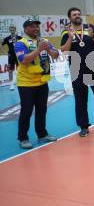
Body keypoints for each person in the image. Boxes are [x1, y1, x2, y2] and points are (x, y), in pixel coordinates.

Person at [61, 7, 94, 137]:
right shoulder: (66, 32)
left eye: (79, 14)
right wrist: (70, 37)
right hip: (76, 70)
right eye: (74, 14)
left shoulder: (89, 27)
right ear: (70, 18)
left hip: (93, 67)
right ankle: (83, 126)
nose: (77, 16)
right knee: (80, 99)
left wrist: (93, 37)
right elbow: (64, 50)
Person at [14, 18, 58, 149]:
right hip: (26, 84)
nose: (35, 28)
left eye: (37, 26)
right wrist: (39, 50)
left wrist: (49, 50)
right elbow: (24, 60)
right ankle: (23, 137)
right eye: (32, 26)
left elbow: (56, 55)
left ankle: (42, 134)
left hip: (42, 82)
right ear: (26, 29)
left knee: (42, 109)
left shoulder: (44, 41)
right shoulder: (20, 43)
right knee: (26, 111)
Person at [1, 25, 22, 90]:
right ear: (10, 30)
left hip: (18, 55)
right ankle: (11, 84)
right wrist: (5, 53)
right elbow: (1, 45)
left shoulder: (19, 37)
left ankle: (20, 82)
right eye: (11, 30)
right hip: (11, 56)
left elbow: (25, 45)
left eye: (13, 30)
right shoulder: (7, 38)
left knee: (21, 69)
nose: (12, 31)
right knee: (10, 70)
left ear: (15, 30)